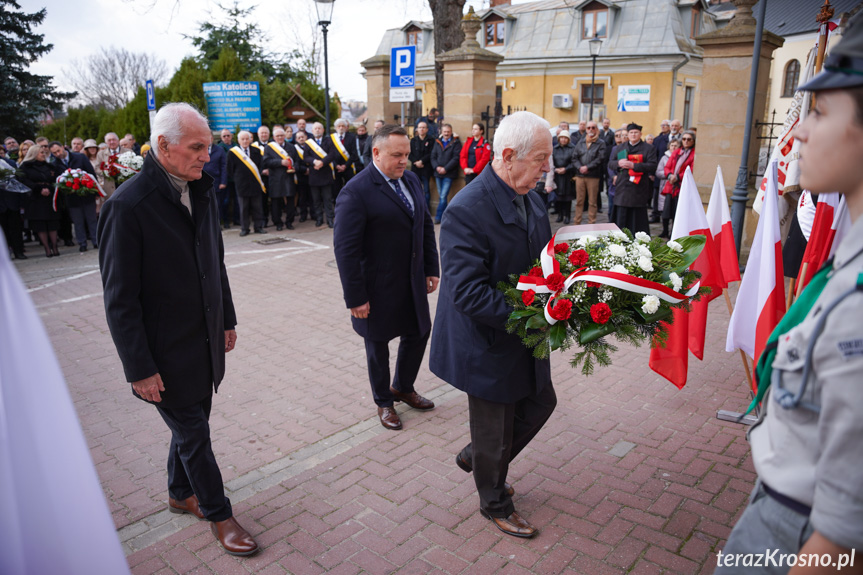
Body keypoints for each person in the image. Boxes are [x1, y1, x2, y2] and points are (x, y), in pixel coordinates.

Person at [715, 13, 863, 573]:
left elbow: (845, 537)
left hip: (800, 527)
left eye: (821, 112)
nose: (798, 131)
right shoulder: (849, 262)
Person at [97, 102, 258, 557]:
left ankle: (177, 491)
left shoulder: (200, 189)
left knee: (193, 424)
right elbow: (120, 300)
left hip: (203, 340)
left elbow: (215, 263)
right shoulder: (127, 207)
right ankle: (218, 513)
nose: (208, 156)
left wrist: (226, 318)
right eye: (197, 147)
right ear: (163, 146)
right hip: (161, 353)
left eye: (208, 146)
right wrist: (139, 368)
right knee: (194, 433)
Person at [430, 111, 556, 539]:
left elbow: (544, 260)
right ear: (508, 156)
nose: (547, 168)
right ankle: (494, 502)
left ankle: (479, 456)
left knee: (541, 402)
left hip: (525, 329)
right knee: (495, 427)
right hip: (485, 339)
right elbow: (467, 293)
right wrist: (532, 313)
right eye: (540, 159)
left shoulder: (532, 198)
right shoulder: (467, 209)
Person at [333, 124, 440, 431]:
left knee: (419, 331)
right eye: (397, 155)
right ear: (376, 153)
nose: (404, 160)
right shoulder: (355, 191)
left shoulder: (410, 179)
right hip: (376, 287)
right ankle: (383, 401)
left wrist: (432, 267)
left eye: (406, 154)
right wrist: (355, 297)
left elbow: (424, 225)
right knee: (377, 344)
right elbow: (345, 250)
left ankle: (403, 387)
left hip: (412, 280)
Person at [49, 141, 99, 252]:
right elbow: (57, 182)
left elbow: (91, 174)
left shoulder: (80, 157)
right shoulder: (55, 165)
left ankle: (96, 241)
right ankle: (82, 243)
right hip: (71, 198)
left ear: (63, 147)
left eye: (58, 150)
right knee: (78, 221)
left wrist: (95, 192)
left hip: (87, 194)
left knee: (91, 219)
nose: (58, 154)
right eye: (54, 153)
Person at [608, 122, 657, 235]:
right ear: (628, 134)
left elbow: (653, 166)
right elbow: (610, 163)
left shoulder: (648, 148)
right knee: (620, 217)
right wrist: (618, 163)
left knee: (637, 219)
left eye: (636, 133)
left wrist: (634, 166)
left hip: (638, 189)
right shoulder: (620, 147)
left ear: (640, 134)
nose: (633, 135)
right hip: (622, 187)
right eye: (631, 133)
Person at [18, 145, 59, 257]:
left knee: (52, 223)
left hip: (49, 196)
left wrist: (50, 188)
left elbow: (56, 179)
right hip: (35, 198)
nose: (43, 154)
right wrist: (39, 189)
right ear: (34, 153)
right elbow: (23, 180)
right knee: (40, 224)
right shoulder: (25, 166)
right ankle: (47, 248)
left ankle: (55, 247)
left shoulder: (50, 166)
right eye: (41, 152)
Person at [227, 130, 267, 236]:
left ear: (250, 140)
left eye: (247, 139)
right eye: (242, 139)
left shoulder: (256, 151)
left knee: (257, 207)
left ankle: (258, 227)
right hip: (242, 185)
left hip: (255, 183)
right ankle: (245, 228)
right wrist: (238, 179)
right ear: (238, 140)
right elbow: (229, 170)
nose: (245, 141)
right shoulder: (232, 153)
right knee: (243, 208)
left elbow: (260, 165)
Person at [299, 122, 337, 228]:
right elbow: (305, 157)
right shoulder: (308, 143)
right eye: (315, 128)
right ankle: (319, 219)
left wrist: (322, 162)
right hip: (314, 174)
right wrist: (315, 161)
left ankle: (330, 219)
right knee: (316, 200)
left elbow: (332, 154)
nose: (317, 130)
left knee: (328, 199)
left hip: (326, 173)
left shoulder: (328, 141)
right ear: (312, 130)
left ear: (323, 130)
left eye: (319, 128)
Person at [262, 126, 300, 230]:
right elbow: (266, 161)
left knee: (290, 202)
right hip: (275, 179)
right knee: (276, 203)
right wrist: (280, 162)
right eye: (277, 136)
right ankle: (278, 223)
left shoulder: (291, 147)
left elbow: (297, 161)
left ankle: (289, 222)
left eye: (282, 135)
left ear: (285, 136)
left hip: (289, 177)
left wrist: (295, 168)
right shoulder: (269, 148)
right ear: (274, 137)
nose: (280, 137)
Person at [659, 130, 695, 239]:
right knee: (666, 211)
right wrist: (670, 175)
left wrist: (678, 177)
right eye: (684, 139)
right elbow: (667, 166)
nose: (686, 141)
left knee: (677, 212)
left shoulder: (694, 154)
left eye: (689, 139)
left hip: (682, 186)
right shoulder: (677, 152)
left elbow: (692, 169)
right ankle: (665, 230)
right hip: (671, 185)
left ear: (693, 141)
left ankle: (674, 233)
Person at [571, 121, 607, 225]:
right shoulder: (581, 142)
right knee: (579, 201)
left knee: (592, 202)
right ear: (586, 130)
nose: (590, 130)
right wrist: (579, 167)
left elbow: (600, 158)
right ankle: (577, 222)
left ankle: (591, 223)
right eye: (588, 128)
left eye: (593, 127)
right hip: (580, 176)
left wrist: (588, 167)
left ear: (597, 130)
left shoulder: (601, 143)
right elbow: (574, 157)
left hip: (593, 176)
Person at [431, 123, 462, 224]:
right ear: (441, 132)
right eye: (444, 132)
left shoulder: (456, 143)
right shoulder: (437, 142)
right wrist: (437, 167)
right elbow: (433, 156)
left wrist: (445, 168)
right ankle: (446, 215)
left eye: (448, 132)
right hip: (438, 173)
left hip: (449, 173)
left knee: (443, 196)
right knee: (441, 195)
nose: (446, 133)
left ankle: (439, 217)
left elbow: (456, 158)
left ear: (451, 132)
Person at [546, 129, 575, 223]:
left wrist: (566, 169)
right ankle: (560, 215)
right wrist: (555, 169)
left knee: (567, 198)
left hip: (568, 177)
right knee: (558, 197)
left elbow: (574, 162)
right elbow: (551, 161)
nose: (563, 139)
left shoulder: (572, 148)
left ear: (568, 139)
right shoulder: (555, 149)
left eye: (565, 138)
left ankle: (567, 216)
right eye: (561, 137)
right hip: (558, 176)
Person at [654, 138, 681, 237]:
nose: (673, 147)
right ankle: (665, 230)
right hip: (665, 186)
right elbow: (658, 171)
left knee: (674, 211)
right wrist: (668, 175)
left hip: (676, 186)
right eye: (672, 145)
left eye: (676, 145)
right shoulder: (664, 158)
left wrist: (675, 177)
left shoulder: (681, 156)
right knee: (665, 211)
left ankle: (673, 231)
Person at [202, 134, 228, 231]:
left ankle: (217, 224)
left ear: (212, 139)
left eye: (210, 138)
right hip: (202, 182)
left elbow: (224, 167)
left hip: (216, 182)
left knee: (217, 205)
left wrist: (223, 182)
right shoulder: (199, 149)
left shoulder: (220, 150)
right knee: (204, 205)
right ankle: (206, 225)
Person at [330, 118, 359, 198]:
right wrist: (336, 165)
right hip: (336, 168)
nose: (341, 127)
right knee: (336, 189)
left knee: (351, 188)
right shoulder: (331, 138)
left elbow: (354, 154)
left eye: (343, 126)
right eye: (339, 126)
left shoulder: (352, 137)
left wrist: (345, 166)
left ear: (346, 127)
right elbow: (329, 154)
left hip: (348, 167)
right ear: (336, 128)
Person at [409, 121, 434, 210]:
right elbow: (409, 153)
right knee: (415, 190)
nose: (422, 129)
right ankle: (416, 209)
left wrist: (422, 161)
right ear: (417, 129)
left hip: (426, 169)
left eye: (423, 127)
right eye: (420, 127)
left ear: (427, 129)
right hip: (415, 169)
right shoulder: (413, 140)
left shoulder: (431, 140)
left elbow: (431, 153)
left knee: (426, 191)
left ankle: (426, 210)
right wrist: (416, 161)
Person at [293, 131, 312, 222]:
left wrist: (310, 170)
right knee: (302, 197)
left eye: (302, 137)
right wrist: (305, 170)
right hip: (301, 175)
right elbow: (295, 163)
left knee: (312, 196)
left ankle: (314, 214)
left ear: (306, 137)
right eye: (299, 137)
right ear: (296, 139)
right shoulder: (294, 149)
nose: (301, 138)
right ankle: (303, 215)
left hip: (312, 175)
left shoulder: (312, 147)